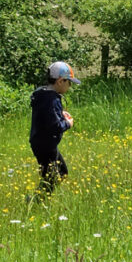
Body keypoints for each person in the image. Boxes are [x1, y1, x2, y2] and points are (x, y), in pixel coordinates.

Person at [29, 61, 80, 194]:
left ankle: (39, 199)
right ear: (60, 81)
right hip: (45, 145)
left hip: (42, 143)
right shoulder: (52, 100)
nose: (69, 86)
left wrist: (60, 114)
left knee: (61, 173)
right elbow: (54, 126)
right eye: (69, 82)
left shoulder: (42, 94)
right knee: (51, 178)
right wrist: (68, 123)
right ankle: (36, 202)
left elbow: (46, 116)